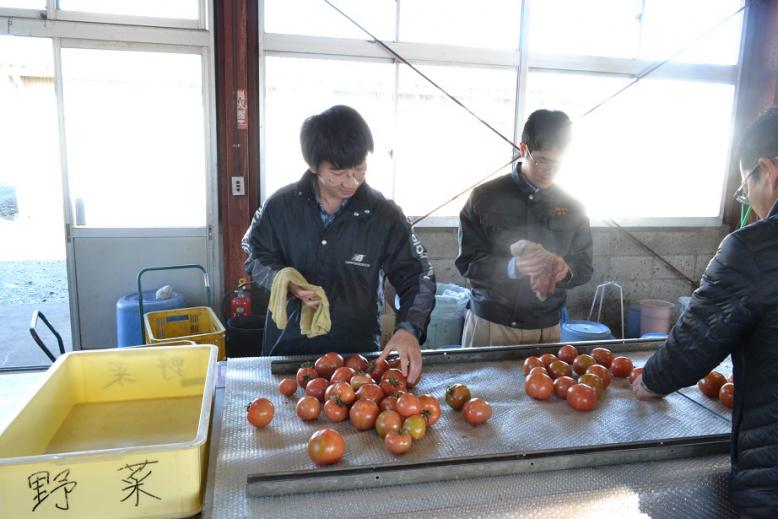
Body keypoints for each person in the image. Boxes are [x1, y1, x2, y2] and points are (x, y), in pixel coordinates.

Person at [633, 107, 778, 518]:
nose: (748, 199)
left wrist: (654, 378)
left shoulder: (754, 248)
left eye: (745, 186)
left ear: (765, 171)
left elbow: (696, 340)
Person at [242, 105, 435, 384]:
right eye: (338, 172)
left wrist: (408, 329)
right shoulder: (281, 207)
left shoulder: (383, 215)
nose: (351, 181)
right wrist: (287, 284)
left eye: (360, 169)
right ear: (313, 165)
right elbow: (255, 255)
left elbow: (418, 275)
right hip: (289, 351)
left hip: (356, 355)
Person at [455, 109, 593, 347]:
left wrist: (566, 271)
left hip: (546, 328)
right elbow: (467, 263)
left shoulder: (573, 206)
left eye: (558, 163)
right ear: (523, 149)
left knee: (546, 384)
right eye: (542, 160)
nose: (550, 170)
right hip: (491, 324)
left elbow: (585, 266)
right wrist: (512, 267)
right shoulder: (485, 197)